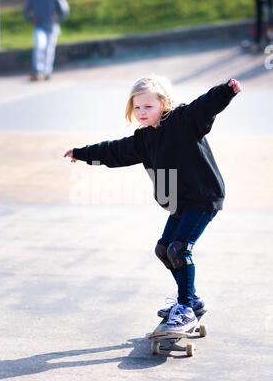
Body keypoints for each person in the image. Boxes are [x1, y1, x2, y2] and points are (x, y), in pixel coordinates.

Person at [64, 75, 242, 337]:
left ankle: (185, 309)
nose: (141, 112)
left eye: (148, 106)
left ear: (163, 103)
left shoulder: (183, 120)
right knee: (163, 250)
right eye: (137, 108)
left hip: (203, 197)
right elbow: (114, 151)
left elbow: (204, 106)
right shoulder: (144, 139)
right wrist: (82, 153)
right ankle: (191, 300)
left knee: (179, 249)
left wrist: (225, 92)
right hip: (180, 202)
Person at [23, 0, 70, 81]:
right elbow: (25, 11)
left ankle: (47, 72)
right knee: (39, 46)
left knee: (49, 50)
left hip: (52, 27)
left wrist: (58, 18)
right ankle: (37, 71)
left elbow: (65, 9)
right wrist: (31, 20)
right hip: (39, 27)